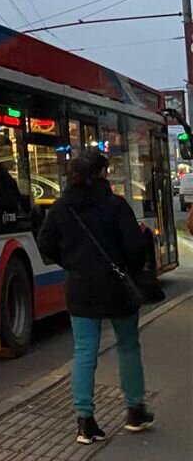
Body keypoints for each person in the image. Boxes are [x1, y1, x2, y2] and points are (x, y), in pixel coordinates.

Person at [38, 150, 155, 445]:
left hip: (80, 288)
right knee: (128, 346)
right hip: (117, 289)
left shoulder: (61, 207)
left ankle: (85, 421)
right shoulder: (115, 205)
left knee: (84, 351)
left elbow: (45, 244)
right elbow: (134, 248)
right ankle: (135, 411)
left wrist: (73, 263)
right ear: (101, 173)